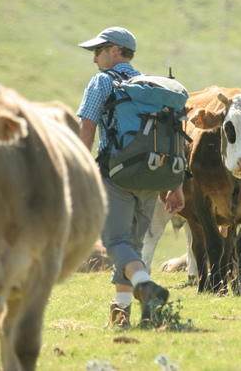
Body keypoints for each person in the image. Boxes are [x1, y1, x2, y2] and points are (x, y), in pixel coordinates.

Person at [76, 27, 185, 327]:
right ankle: (120, 312)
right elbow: (173, 137)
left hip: (118, 174)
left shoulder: (102, 82)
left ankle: (146, 287)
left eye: (97, 51)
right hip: (155, 175)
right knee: (132, 245)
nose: (94, 58)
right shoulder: (151, 87)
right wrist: (176, 186)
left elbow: (87, 131)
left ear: (113, 50)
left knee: (115, 242)